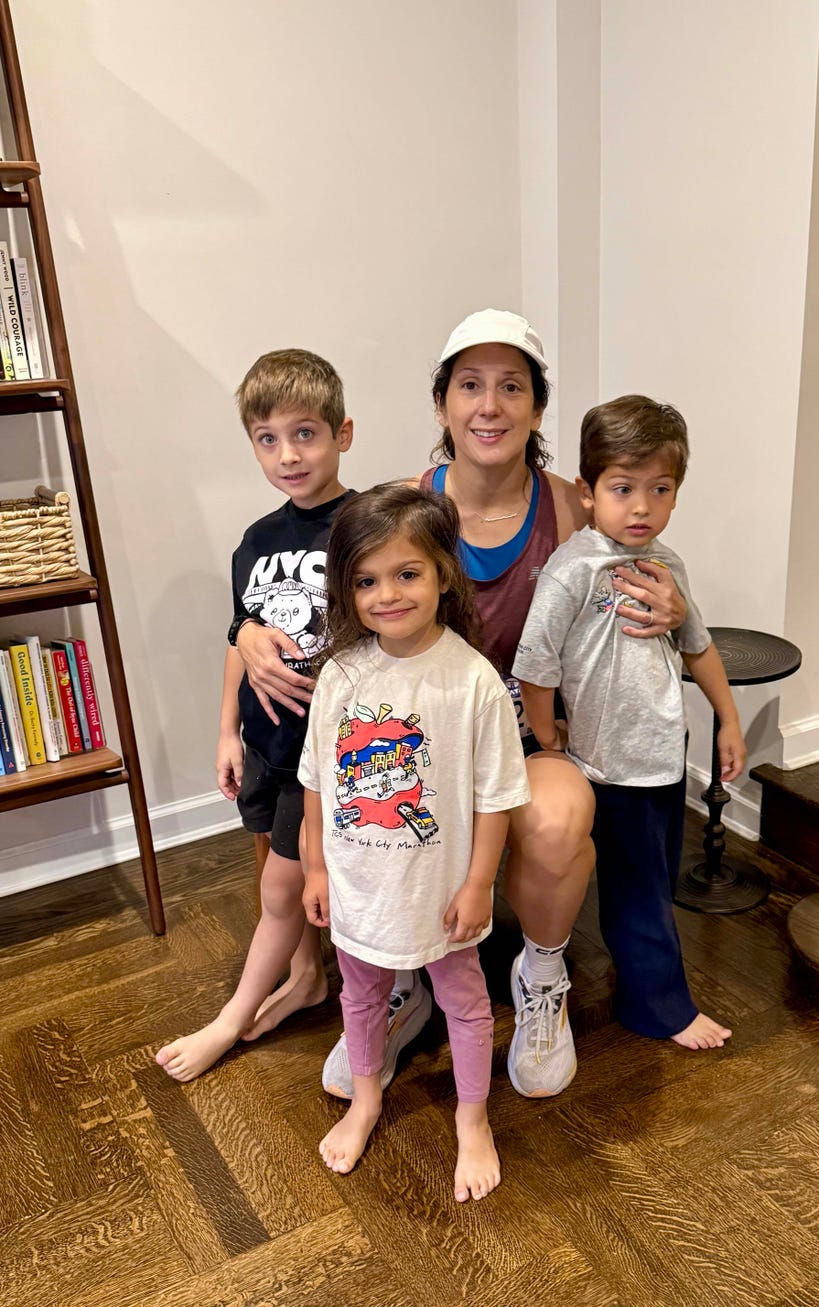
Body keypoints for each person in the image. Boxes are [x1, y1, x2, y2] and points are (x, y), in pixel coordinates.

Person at [236, 310, 687, 1099]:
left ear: (538, 408)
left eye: (511, 386)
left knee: (554, 820)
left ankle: (542, 973)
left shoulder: (575, 507)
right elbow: (311, 591)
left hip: (530, 735)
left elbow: (644, 563)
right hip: (419, 740)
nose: (490, 405)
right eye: (469, 386)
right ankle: (401, 978)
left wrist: (679, 611)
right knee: (380, 803)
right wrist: (242, 631)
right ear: (442, 404)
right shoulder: (400, 504)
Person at [299, 482, 530, 1201]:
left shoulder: (472, 682)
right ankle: (367, 1098)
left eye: (407, 573)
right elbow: (315, 782)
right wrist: (314, 867)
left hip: (441, 894)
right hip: (358, 886)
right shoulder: (340, 676)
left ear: (441, 575)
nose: (387, 594)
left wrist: (479, 882)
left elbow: (497, 796)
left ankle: (472, 1117)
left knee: (464, 1001)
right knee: (361, 997)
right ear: (346, 587)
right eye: (367, 580)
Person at [512, 394, 744, 1047]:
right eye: (623, 488)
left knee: (654, 880)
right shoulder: (572, 571)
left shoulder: (669, 566)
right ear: (587, 492)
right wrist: (548, 736)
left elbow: (697, 644)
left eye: (660, 488)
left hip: (665, 752)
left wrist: (727, 717)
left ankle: (641, 980)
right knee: (639, 889)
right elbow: (536, 662)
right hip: (610, 763)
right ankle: (658, 1006)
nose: (642, 506)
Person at [156, 348, 355, 1082]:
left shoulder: (365, 526)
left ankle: (231, 1020)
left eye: (305, 433)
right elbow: (242, 635)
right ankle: (305, 977)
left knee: (281, 884)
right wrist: (223, 730)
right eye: (267, 438)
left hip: (324, 754)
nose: (287, 454)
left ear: (343, 433)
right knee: (271, 869)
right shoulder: (255, 541)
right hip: (266, 744)